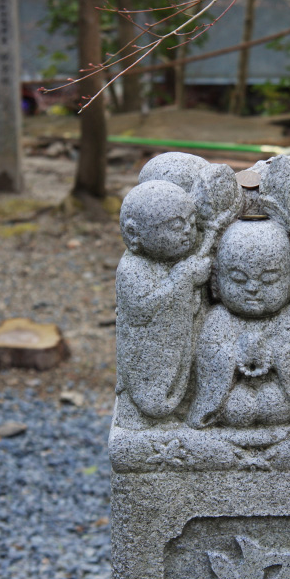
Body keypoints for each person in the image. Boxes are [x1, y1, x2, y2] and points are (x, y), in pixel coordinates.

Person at [187, 220, 290, 429]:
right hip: (232, 396)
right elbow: (209, 356)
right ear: (215, 282)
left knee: (274, 405)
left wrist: (273, 353)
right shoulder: (219, 318)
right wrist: (236, 354)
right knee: (238, 408)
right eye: (239, 279)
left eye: (269, 279)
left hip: (276, 392)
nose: (253, 288)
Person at [115, 180, 211, 429]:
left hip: (179, 345)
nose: (188, 232)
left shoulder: (179, 261)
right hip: (148, 354)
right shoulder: (132, 267)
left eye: (191, 223)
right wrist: (182, 278)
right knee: (151, 397)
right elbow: (140, 311)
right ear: (135, 234)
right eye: (176, 226)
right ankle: (144, 415)